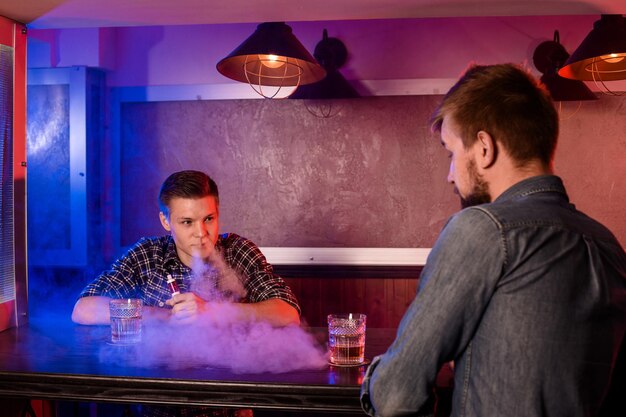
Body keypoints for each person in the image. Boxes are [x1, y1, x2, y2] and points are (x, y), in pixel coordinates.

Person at [359, 64, 626, 417]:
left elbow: (395, 396)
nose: (449, 175)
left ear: (484, 148)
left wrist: (380, 377)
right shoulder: (607, 243)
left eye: (451, 153)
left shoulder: (482, 228)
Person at [72, 169, 301, 417]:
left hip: (226, 405)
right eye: (187, 222)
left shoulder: (238, 251)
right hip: (153, 405)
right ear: (165, 221)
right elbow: (83, 309)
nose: (201, 233)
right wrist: (165, 316)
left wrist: (213, 312)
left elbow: (288, 313)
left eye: (209, 219)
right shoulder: (147, 255)